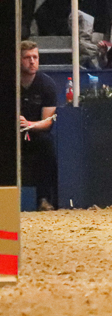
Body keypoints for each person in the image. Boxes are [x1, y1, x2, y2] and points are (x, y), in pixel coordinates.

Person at [19, 42, 58, 210]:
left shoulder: (47, 84)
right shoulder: (7, 82)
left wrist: (28, 124)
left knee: (46, 143)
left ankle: (44, 199)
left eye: (35, 57)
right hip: (10, 134)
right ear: (18, 60)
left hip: (34, 133)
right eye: (27, 58)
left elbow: (47, 122)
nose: (32, 61)